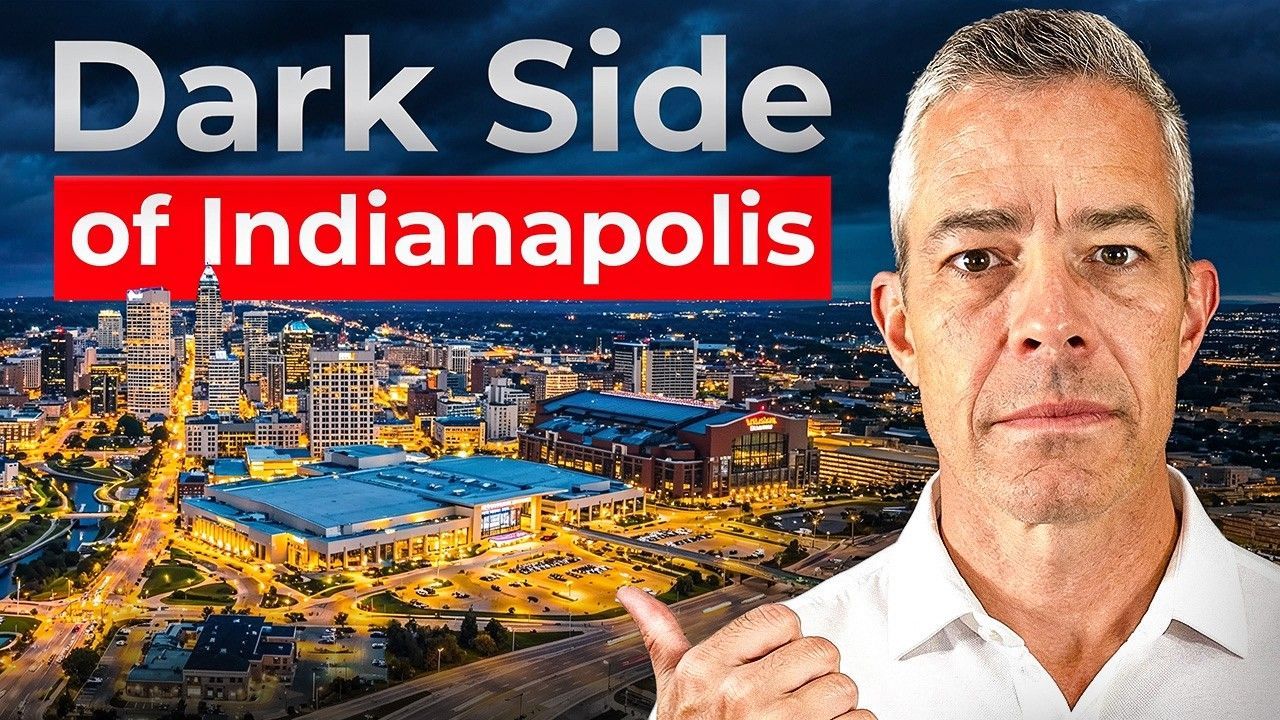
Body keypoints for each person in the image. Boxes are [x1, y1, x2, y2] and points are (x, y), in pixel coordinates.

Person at [617, 8, 1280, 720]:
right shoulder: (773, 690)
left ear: (1190, 316)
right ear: (900, 329)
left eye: (1115, 254)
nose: (1050, 325)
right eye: (976, 260)